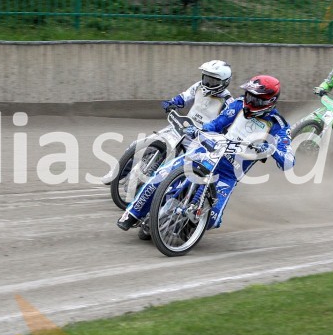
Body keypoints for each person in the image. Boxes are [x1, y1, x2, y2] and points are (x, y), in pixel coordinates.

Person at [118, 75, 294, 234]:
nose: (250, 101)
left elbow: (288, 162)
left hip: (229, 172)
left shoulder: (278, 125)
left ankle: (184, 226)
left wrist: (271, 149)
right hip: (208, 152)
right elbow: (217, 124)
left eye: (256, 99)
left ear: (269, 101)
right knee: (161, 176)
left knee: (212, 219)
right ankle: (132, 215)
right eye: (249, 95)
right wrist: (198, 130)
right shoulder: (238, 104)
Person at [161, 60, 234, 127]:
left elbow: (223, 124)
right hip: (185, 125)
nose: (207, 84)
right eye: (206, 79)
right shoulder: (199, 86)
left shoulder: (228, 102)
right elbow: (186, 96)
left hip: (204, 136)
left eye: (213, 81)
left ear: (225, 82)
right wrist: (173, 102)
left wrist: (208, 129)